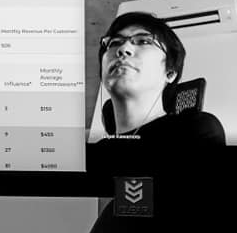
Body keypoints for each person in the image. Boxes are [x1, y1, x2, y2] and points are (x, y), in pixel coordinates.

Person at [92, 11, 225, 146]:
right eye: (114, 43)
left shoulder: (193, 130)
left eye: (143, 41)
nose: (123, 48)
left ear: (170, 73)